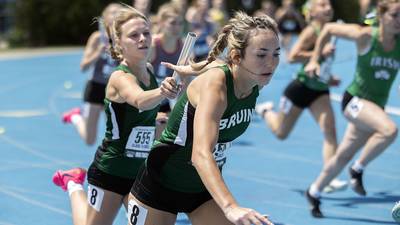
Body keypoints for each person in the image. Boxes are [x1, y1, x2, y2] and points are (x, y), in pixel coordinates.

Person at [125, 11, 279, 225]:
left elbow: (213, 63)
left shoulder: (254, 81)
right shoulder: (216, 84)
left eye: (276, 54)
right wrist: (231, 207)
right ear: (237, 57)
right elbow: (200, 153)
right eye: (262, 55)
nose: (271, 63)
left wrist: (190, 68)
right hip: (161, 182)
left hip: (201, 188)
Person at [52, 6, 179, 225]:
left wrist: (159, 122)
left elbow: (142, 118)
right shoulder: (120, 77)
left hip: (139, 171)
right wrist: (162, 91)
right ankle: (73, 183)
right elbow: (139, 99)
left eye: (146, 33)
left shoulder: (148, 70)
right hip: (111, 170)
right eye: (134, 35)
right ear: (119, 43)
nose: (142, 39)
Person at [304, 0, 400, 218]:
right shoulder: (365, 35)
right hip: (355, 101)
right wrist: (314, 60)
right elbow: (328, 28)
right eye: (395, 15)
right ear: (382, 15)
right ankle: (358, 168)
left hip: (373, 109)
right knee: (389, 130)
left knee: (342, 156)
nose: (399, 21)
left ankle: (314, 191)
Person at [255, 0, 346, 194]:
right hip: (300, 88)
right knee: (281, 133)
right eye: (321, 5)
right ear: (311, 13)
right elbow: (293, 56)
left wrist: (329, 79)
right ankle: (266, 111)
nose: (328, 7)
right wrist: (319, 51)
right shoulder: (311, 31)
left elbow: (320, 64)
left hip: (320, 89)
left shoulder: (332, 31)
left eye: (328, 4)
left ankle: (330, 177)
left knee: (330, 129)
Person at [62, 3, 122, 146]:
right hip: (96, 87)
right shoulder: (97, 38)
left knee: (116, 135)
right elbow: (84, 66)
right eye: (112, 13)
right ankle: (76, 117)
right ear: (104, 17)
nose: (115, 16)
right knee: (90, 140)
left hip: (115, 88)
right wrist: (98, 52)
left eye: (119, 13)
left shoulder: (124, 38)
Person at [148, 3, 184, 138]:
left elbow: (185, 82)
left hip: (166, 103)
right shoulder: (152, 46)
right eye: (173, 23)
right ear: (162, 23)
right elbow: (137, 77)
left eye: (180, 23)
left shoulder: (183, 48)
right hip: (147, 100)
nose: (177, 27)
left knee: (161, 145)